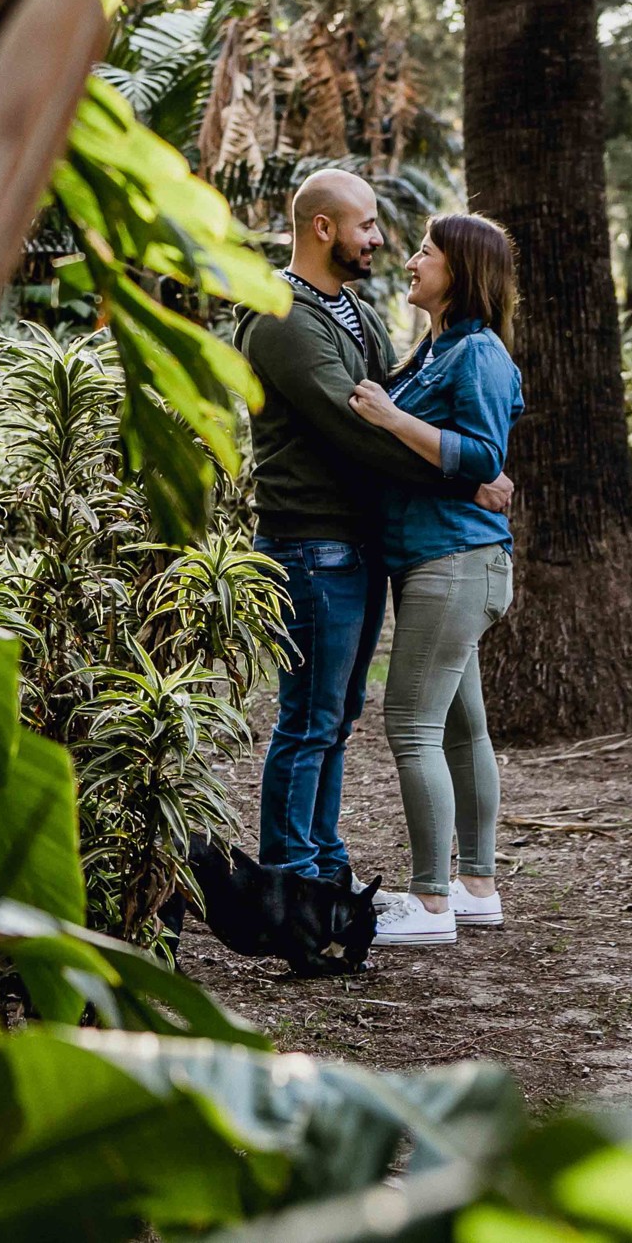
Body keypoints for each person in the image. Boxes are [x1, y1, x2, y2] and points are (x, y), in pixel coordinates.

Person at [235, 170, 512, 889]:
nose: (381, 240)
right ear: (323, 228)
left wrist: (452, 457)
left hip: (354, 547)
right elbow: (355, 429)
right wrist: (466, 474)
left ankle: (324, 867)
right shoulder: (283, 318)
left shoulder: (350, 309)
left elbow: (401, 407)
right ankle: (293, 877)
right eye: (367, 225)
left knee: (336, 718)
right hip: (311, 544)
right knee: (309, 721)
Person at [347, 213, 525, 946]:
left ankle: (428, 904)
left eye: (427, 251)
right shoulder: (436, 348)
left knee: (411, 724)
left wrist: (392, 420)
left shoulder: (476, 350)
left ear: (461, 271)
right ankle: (475, 886)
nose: (412, 259)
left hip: (454, 562)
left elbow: (484, 455)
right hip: (444, 558)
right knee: (460, 725)